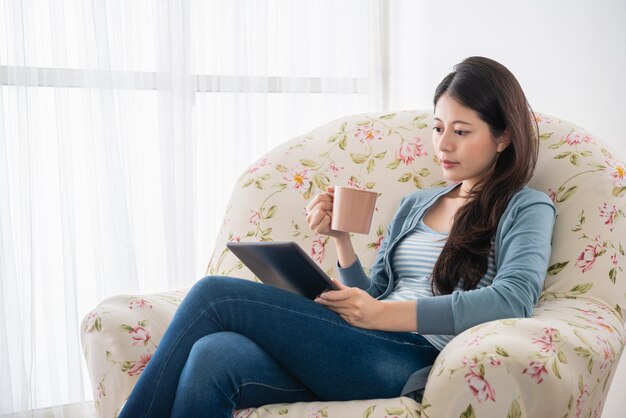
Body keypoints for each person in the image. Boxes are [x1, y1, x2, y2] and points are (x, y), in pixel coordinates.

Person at [118, 56, 556, 418]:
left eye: (461, 132)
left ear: (503, 137)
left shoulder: (526, 207)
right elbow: (373, 296)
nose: (443, 145)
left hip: (413, 360)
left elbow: (512, 298)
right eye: (438, 128)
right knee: (214, 355)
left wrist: (381, 316)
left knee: (215, 295)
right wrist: (341, 240)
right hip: (361, 347)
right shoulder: (416, 204)